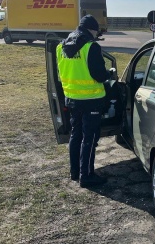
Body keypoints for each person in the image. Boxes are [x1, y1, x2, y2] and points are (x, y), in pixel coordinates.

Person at [56, 14, 113, 188]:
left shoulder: (61, 46)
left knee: (76, 135)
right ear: (91, 29)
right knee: (89, 138)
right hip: (91, 100)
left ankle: (75, 172)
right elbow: (99, 75)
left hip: (72, 98)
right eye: (96, 32)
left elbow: (60, 74)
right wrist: (109, 73)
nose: (97, 35)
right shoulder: (91, 47)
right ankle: (87, 175)